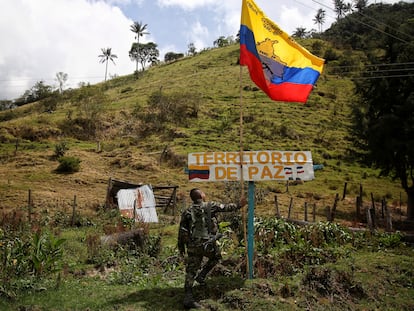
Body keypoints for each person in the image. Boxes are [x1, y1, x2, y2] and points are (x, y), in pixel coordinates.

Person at [177, 188, 247, 309]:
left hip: (193, 245)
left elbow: (182, 230)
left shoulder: (187, 211)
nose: (205, 194)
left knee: (191, 271)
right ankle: (202, 275)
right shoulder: (211, 205)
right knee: (216, 257)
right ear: (200, 195)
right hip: (208, 244)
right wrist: (240, 205)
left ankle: (188, 297)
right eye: (203, 192)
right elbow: (226, 208)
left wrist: (181, 247)